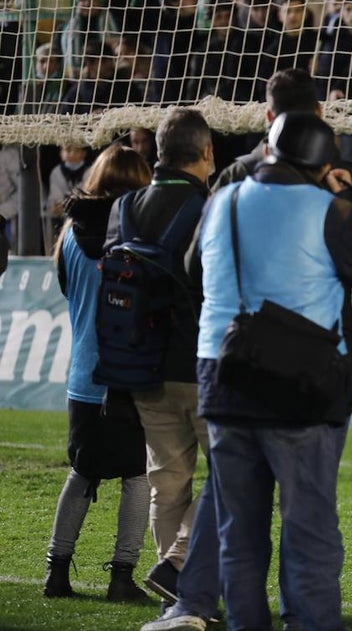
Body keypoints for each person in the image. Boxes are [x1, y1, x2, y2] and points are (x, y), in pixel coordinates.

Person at [193, 112, 352, 629]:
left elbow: (192, 268)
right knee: (308, 528)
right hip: (298, 380)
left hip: (222, 372)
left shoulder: (223, 199)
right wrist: (343, 198)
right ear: (322, 163)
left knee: (237, 534)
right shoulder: (328, 209)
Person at [103, 109, 213, 607]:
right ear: (206, 153)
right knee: (236, 476)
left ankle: (177, 599)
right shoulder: (209, 206)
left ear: (158, 152)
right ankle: (176, 567)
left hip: (141, 366)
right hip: (201, 363)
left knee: (166, 483)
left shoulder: (125, 207)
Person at [46, 144, 153, 602]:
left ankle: (56, 570)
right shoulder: (133, 235)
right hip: (127, 374)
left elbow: (71, 293)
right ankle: (122, 575)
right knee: (137, 476)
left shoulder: (69, 234)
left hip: (83, 376)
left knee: (81, 472)